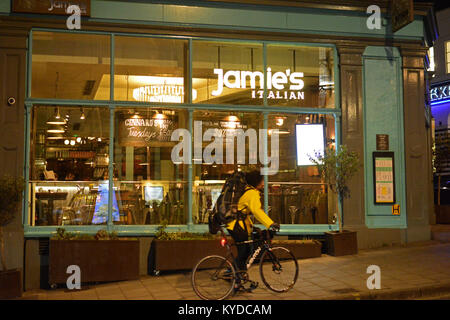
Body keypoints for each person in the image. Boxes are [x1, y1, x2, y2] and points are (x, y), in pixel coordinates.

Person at [226, 170, 280, 290]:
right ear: (257, 181)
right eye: (262, 181)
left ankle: (233, 273)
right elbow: (256, 211)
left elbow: (244, 211)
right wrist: (270, 224)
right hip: (237, 226)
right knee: (244, 251)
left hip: (235, 225)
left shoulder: (247, 190)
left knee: (244, 251)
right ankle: (236, 280)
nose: (263, 184)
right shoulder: (252, 193)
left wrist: (252, 226)